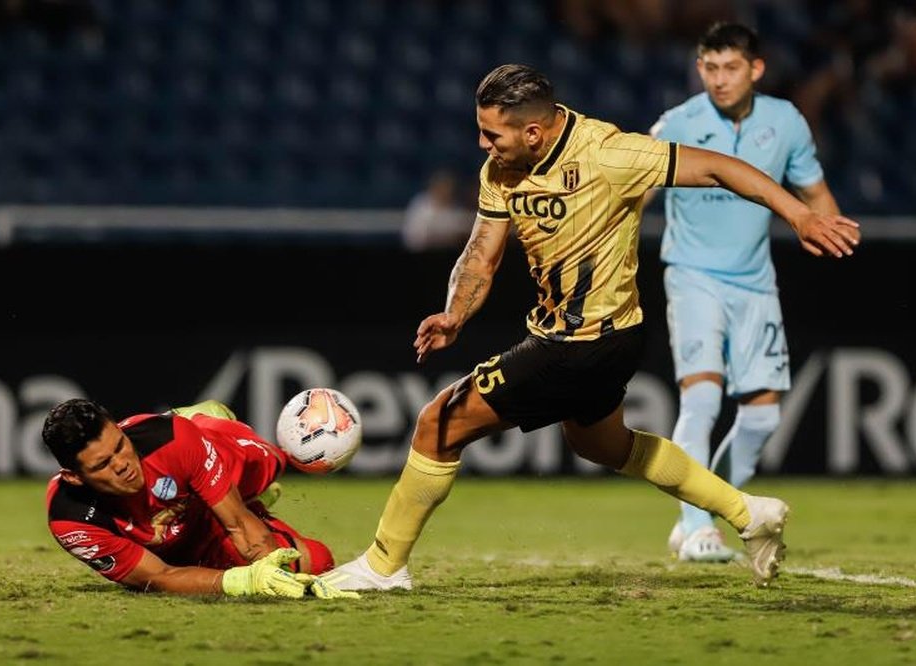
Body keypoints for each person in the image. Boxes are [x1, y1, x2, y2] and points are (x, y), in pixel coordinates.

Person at [319, 63, 859, 592]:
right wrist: (455, 313)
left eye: (491, 134)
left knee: (438, 424)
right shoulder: (501, 170)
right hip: (601, 342)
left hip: (582, 343)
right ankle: (749, 513)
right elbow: (480, 256)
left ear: (534, 130)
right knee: (605, 446)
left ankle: (383, 565)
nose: (483, 145)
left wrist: (800, 214)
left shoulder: (609, 152)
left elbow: (719, 167)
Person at [647, 22, 844, 563]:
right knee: (703, 396)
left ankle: (702, 509)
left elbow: (814, 190)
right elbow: (632, 191)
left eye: (730, 67)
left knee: (762, 417)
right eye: (709, 68)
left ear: (756, 69)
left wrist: (829, 228)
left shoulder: (785, 121)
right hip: (691, 276)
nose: (718, 79)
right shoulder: (678, 123)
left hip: (755, 281)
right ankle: (695, 527)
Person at [43, 398, 357, 599]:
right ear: (74, 476)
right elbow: (160, 577)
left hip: (212, 459)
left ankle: (208, 423)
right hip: (183, 538)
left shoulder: (171, 441)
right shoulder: (70, 517)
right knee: (314, 559)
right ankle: (240, 496)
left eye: (121, 445)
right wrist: (247, 581)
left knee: (271, 464)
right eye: (102, 464)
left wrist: (280, 577)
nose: (122, 463)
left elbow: (240, 527)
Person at [401, 169, 476, 252]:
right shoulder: (420, 205)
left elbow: (463, 235)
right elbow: (411, 237)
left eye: (448, 187)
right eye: (442, 186)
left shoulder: (457, 208)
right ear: (434, 187)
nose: (445, 191)